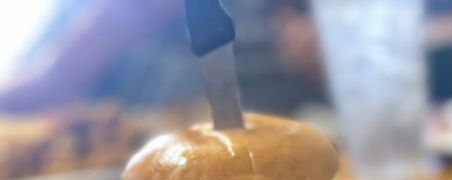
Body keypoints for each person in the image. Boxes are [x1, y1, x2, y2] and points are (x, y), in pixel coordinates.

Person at [0, 0, 324, 115]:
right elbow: (22, 91)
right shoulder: (81, 12)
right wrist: (75, 58)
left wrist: (324, 66)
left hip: (276, 169)